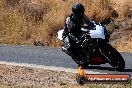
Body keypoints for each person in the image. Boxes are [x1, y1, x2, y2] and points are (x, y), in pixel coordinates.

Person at [61, 3, 108, 67]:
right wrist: (77, 40)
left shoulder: (82, 16)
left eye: (82, 10)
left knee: (87, 40)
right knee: (70, 46)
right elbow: (70, 33)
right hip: (68, 34)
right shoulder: (70, 20)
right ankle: (79, 59)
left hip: (79, 31)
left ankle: (90, 52)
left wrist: (95, 26)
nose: (82, 12)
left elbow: (89, 23)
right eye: (81, 11)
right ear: (76, 12)